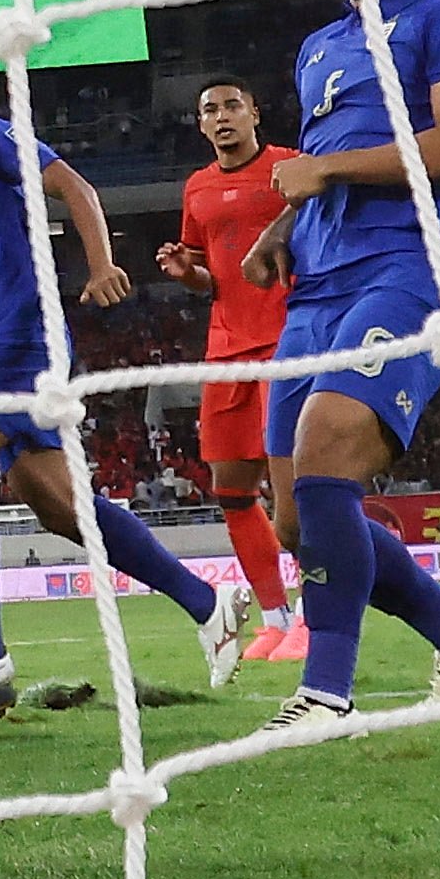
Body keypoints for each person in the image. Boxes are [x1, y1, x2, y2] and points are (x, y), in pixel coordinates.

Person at [0, 21, 252, 696]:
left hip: (23, 334)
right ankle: (206, 603)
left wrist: (99, 265)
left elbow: (76, 188)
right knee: (59, 507)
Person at [242, 0, 440, 732]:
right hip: (315, 286)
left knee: (324, 464)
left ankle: (326, 693)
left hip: (405, 270)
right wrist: (283, 222)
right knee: (294, 522)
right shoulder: (317, 45)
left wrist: (322, 175)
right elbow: (327, 155)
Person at [157, 77, 302, 660]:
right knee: (232, 490)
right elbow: (208, 276)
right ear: (199, 124)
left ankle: (316, 619)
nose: (221, 117)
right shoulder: (197, 188)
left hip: (287, 341)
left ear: (254, 113)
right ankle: (275, 618)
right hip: (225, 351)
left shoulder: (289, 168)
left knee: (295, 497)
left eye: (232, 106)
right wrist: (183, 272)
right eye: (210, 110)